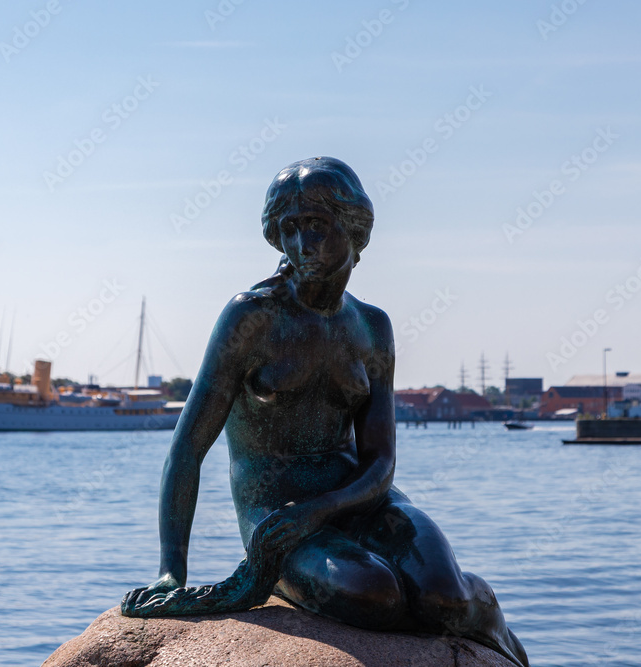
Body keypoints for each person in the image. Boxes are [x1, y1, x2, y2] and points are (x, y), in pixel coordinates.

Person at [122, 157, 529, 667]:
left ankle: (493, 622)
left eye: (316, 224)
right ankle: (305, 579)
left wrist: (322, 509)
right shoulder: (251, 318)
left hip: (363, 499)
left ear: (354, 228)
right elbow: (186, 450)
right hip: (278, 516)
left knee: (444, 599)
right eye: (289, 228)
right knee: (375, 595)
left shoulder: (372, 327)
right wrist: (171, 572)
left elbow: (380, 461)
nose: (301, 243)